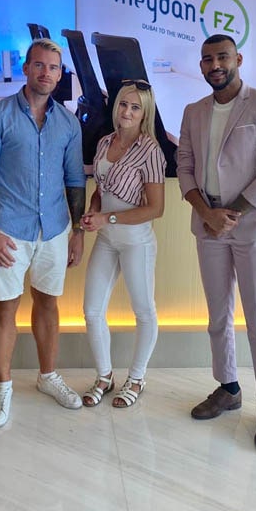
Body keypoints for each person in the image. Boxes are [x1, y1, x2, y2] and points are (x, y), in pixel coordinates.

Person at [177, 34, 256, 450]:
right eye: (207, 59)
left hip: (253, 225)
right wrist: (208, 214)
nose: (215, 65)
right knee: (218, 315)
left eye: (222, 57)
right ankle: (228, 388)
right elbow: (184, 167)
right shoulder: (193, 111)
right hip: (209, 225)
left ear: (238, 59)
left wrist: (232, 214)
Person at [0, 38, 87, 428]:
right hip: (9, 231)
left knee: (49, 303)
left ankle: (47, 376)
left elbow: (74, 179)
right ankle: (3, 385)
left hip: (53, 229)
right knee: (5, 308)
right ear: (25, 68)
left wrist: (77, 232)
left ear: (59, 73)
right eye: (39, 65)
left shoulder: (68, 123)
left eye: (53, 68)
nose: (46, 73)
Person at [81, 79, 166, 408]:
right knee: (91, 310)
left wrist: (108, 219)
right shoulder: (105, 142)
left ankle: (137, 378)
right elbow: (100, 191)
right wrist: (93, 212)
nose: (127, 112)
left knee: (143, 311)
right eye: (123, 105)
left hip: (136, 243)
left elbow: (155, 209)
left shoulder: (151, 151)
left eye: (135, 107)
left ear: (145, 113)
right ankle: (104, 376)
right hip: (106, 239)